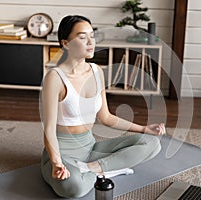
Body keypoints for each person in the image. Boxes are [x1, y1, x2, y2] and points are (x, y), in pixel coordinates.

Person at [40, 15, 166, 198]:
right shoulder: (55, 78)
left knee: (152, 144)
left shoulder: (97, 71)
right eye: (83, 37)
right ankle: (106, 169)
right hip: (63, 153)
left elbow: (106, 117)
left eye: (92, 35)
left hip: (90, 149)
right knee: (73, 188)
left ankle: (94, 169)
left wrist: (144, 128)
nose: (91, 42)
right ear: (66, 43)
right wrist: (56, 162)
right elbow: (49, 129)